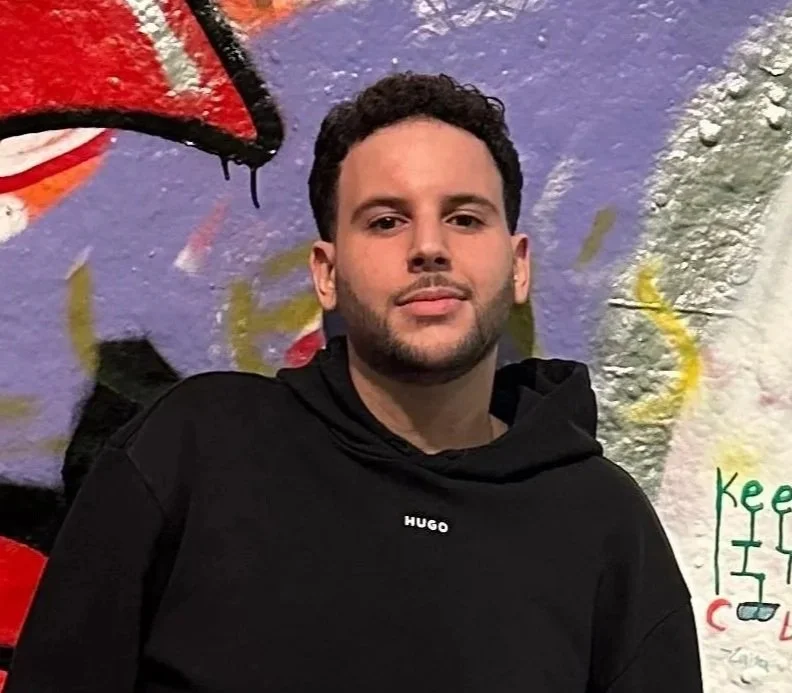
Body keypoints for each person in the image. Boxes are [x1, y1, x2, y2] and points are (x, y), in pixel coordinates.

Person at [6, 72, 703, 693]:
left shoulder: (605, 528)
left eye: (464, 217)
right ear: (327, 273)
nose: (429, 247)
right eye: (386, 220)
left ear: (518, 265)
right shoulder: (193, 451)